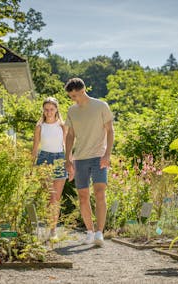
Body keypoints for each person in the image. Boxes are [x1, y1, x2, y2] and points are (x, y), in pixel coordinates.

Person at [64, 78, 114, 247]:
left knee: (100, 192)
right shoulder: (72, 111)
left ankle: (100, 232)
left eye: (76, 95)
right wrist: (68, 158)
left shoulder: (101, 106)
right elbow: (70, 135)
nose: (74, 99)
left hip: (99, 156)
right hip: (80, 159)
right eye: (71, 96)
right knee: (83, 197)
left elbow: (110, 130)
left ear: (83, 90)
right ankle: (90, 232)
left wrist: (107, 154)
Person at [32, 97, 70, 241]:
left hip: (60, 159)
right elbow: (35, 147)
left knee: (56, 198)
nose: (49, 112)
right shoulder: (40, 126)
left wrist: (70, 163)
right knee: (50, 196)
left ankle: (53, 230)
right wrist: (31, 166)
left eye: (51, 109)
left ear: (56, 110)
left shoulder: (62, 125)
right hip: (44, 160)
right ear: (43, 110)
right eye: (46, 109)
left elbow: (67, 146)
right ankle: (50, 227)